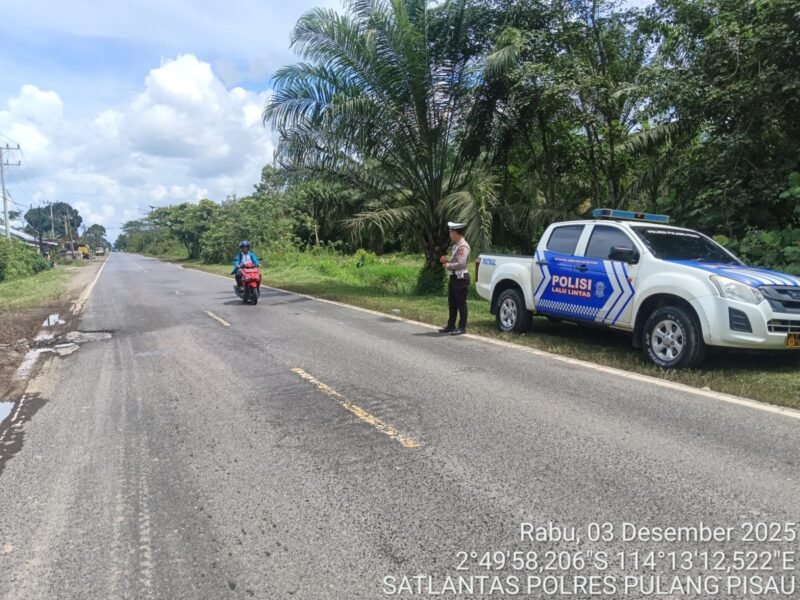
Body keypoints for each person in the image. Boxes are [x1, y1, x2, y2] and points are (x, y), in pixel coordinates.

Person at [439, 222, 471, 336]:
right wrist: (447, 261)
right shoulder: (456, 246)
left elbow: (461, 264)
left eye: (450, 232)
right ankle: (451, 325)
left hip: (461, 278)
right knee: (452, 303)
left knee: (461, 303)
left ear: (455, 233)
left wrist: (448, 265)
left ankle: (462, 327)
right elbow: (455, 261)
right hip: (454, 277)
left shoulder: (463, 246)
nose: (450, 235)